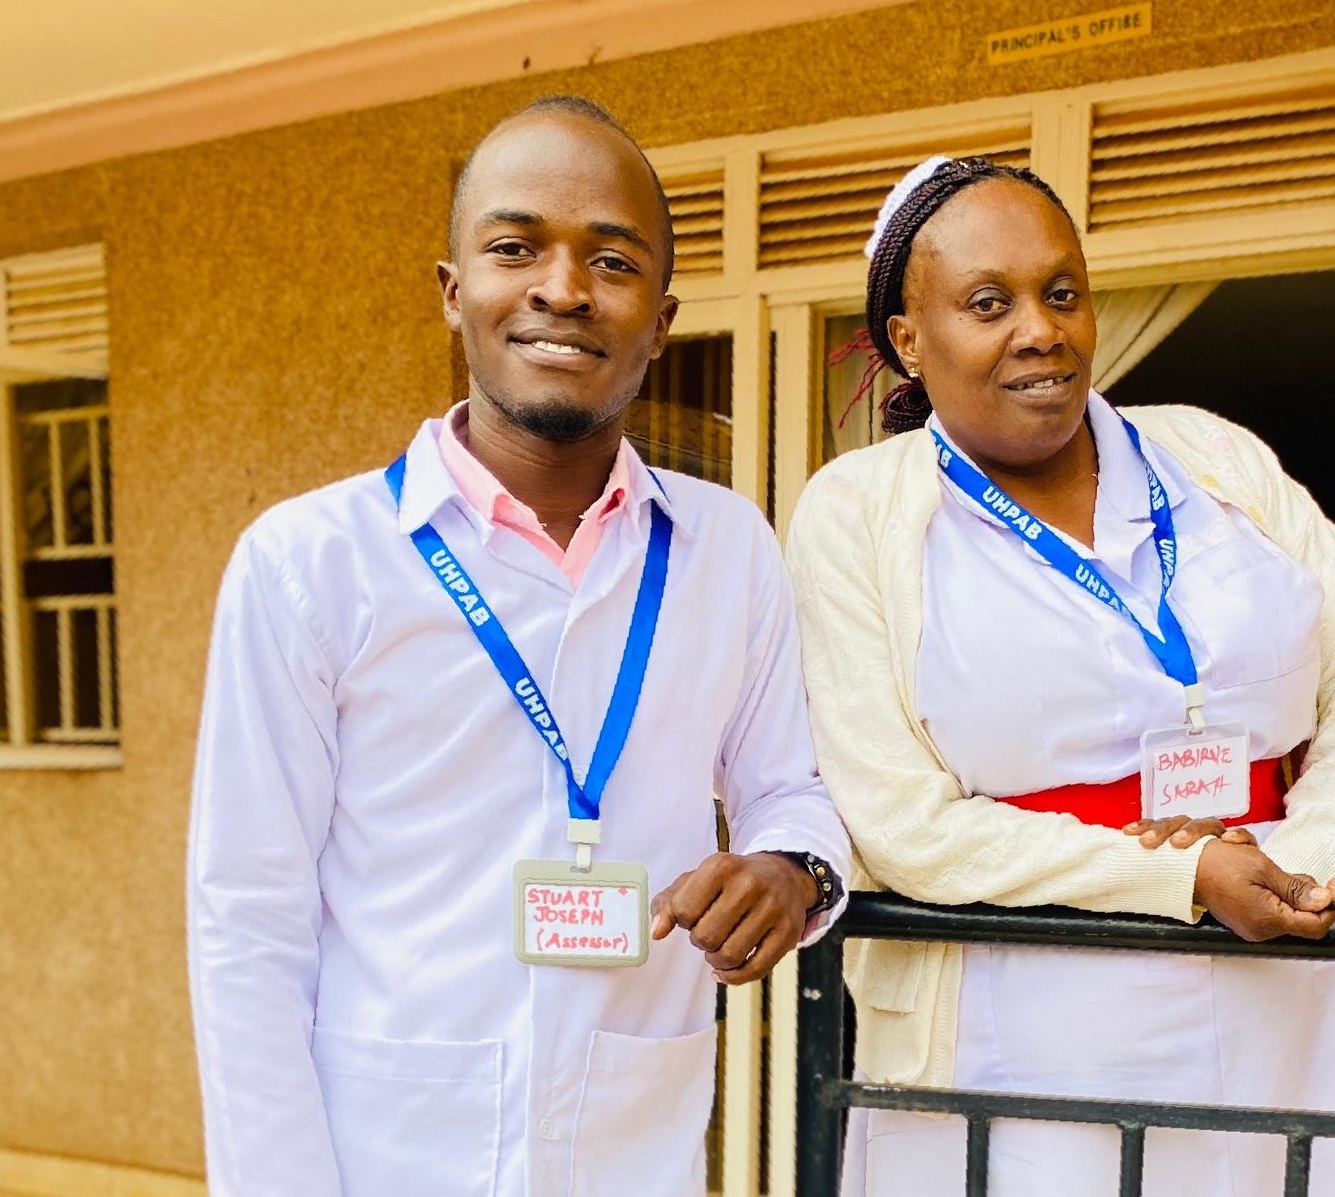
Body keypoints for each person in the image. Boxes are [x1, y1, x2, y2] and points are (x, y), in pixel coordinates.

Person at [187, 95, 848, 1197]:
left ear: (662, 318)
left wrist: (790, 867)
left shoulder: (726, 548)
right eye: (513, 247)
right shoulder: (310, 562)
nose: (561, 289)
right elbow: (247, 922)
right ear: (455, 293)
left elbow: (794, 788)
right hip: (388, 1157)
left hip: (634, 1153)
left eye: (613, 262)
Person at [785, 156, 1335, 1197]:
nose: (1039, 328)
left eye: (1062, 291)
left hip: (1273, 994)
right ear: (908, 340)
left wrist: (1293, 861)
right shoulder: (855, 512)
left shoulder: (1210, 455)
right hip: (1021, 1026)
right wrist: (1178, 880)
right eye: (987, 304)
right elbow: (898, 822)